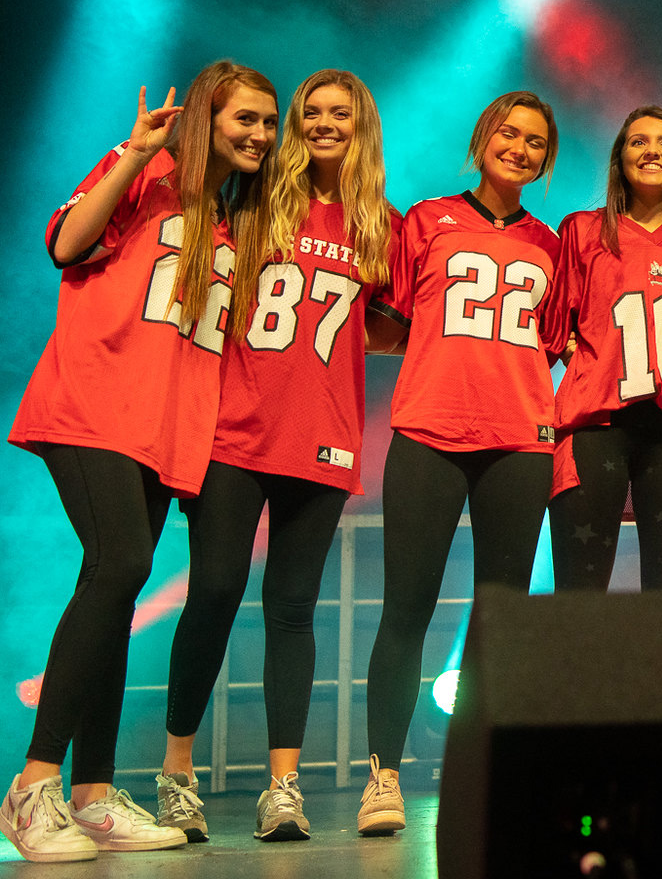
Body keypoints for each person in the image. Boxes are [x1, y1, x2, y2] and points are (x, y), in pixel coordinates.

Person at [4, 62, 276, 862]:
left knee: (116, 593)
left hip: (164, 429)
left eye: (268, 123)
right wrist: (133, 150)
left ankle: (91, 793)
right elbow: (64, 243)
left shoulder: (230, 222)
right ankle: (31, 787)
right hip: (94, 407)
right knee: (119, 564)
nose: (259, 134)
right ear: (205, 116)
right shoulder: (148, 172)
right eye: (245, 118)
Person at [154, 70, 403, 844]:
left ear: (361, 126)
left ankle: (283, 787)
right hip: (235, 430)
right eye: (312, 113)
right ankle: (177, 773)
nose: (324, 124)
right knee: (217, 592)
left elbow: (391, 324)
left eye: (340, 113)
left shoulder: (380, 224)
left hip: (322, 438)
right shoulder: (255, 200)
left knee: (295, 608)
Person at [361, 91, 562, 835]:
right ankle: (382, 775)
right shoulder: (425, 220)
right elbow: (385, 322)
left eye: (535, 141)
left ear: (547, 158)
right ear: (482, 141)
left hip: (517, 439)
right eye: (508, 133)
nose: (520, 147)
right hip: (429, 430)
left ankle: (485, 770)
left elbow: (566, 338)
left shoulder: (551, 243)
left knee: (501, 620)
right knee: (404, 609)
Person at [547, 107, 662, 593]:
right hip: (595, 426)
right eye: (638, 141)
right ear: (619, 156)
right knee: (579, 596)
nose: (652, 151)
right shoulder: (582, 230)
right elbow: (550, 332)